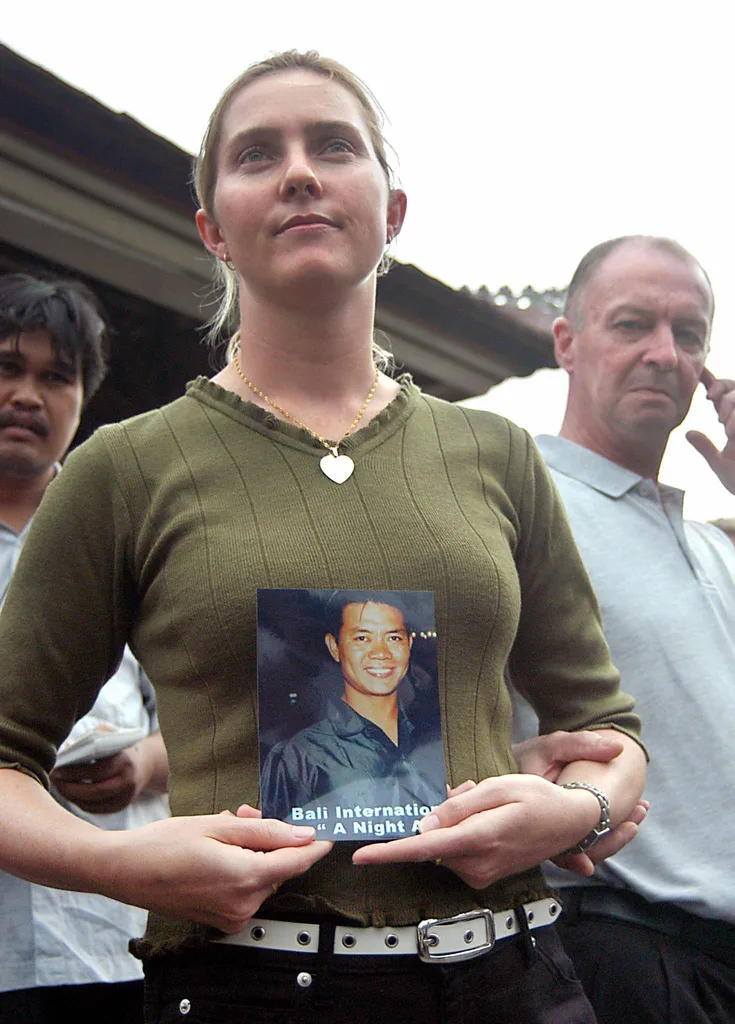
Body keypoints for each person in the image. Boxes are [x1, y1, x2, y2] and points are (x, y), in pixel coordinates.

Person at [0, 53, 647, 1024]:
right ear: (212, 229)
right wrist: (116, 859)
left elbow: (610, 733)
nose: (299, 172)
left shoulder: (498, 454)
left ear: (393, 212)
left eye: (334, 146)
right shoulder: (123, 468)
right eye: (257, 154)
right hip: (245, 988)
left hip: (513, 978)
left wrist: (578, 811)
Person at [513, 235, 735, 1023]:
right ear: (566, 344)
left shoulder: (715, 545)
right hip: (621, 952)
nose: (663, 354)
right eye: (632, 324)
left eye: (688, 334)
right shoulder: (513, 501)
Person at [0, 274, 169, 1023]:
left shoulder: (128, 533)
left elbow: (210, 709)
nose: (26, 396)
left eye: (54, 377)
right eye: (8, 368)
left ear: (81, 396)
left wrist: (144, 767)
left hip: (114, 941)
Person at [261, 591, 446, 822]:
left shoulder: (431, 737)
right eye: (362, 638)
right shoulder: (300, 755)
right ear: (334, 647)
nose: (381, 653)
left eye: (393, 638)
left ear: (409, 644)